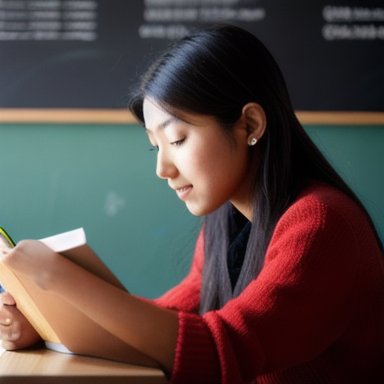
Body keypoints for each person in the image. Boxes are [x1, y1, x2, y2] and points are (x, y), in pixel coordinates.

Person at [1, 24, 384, 383]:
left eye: (178, 140)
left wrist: (60, 276)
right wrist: (41, 323)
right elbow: (165, 326)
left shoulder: (321, 224)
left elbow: (222, 350)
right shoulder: (229, 222)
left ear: (250, 125)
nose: (162, 168)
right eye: (155, 146)